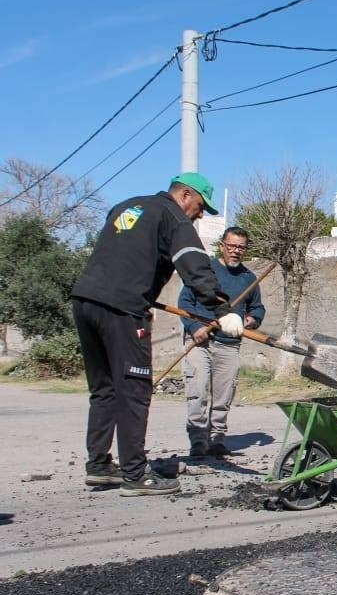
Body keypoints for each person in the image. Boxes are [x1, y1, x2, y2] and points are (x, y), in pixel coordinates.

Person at [71, 173, 244, 497]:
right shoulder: (173, 217)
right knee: (134, 389)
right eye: (200, 206)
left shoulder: (126, 207)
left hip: (85, 300)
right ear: (185, 196)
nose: (200, 214)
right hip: (123, 309)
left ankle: (99, 465)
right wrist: (223, 311)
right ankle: (135, 475)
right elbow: (194, 266)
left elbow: (126, 257)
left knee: (105, 388)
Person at [179, 227, 265, 458]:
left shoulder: (249, 279)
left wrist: (252, 319)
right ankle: (198, 441)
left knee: (223, 397)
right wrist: (195, 327)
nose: (236, 251)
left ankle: (216, 440)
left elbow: (257, 307)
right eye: (232, 246)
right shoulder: (205, 271)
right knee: (197, 393)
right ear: (222, 246)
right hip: (200, 343)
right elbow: (184, 302)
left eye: (241, 247)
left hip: (229, 344)